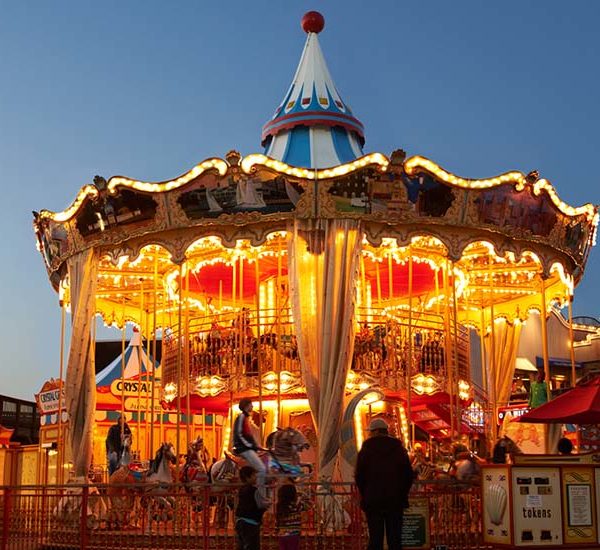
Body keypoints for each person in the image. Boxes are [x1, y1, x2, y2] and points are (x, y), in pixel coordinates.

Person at [355, 418, 413, 550]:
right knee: (395, 539)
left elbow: (360, 476)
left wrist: (366, 494)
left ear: (375, 432)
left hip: (373, 500)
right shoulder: (399, 450)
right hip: (395, 500)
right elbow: (408, 475)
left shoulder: (366, 450)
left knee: (375, 538)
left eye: (370, 432)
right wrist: (402, 493)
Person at [233, 398, 266, 491]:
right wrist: (251, 446)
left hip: (250, 448)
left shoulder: (247, 420)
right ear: (246, 406)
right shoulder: (242, 418)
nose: (252, 406)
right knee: (262, 469)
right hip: (245, 448)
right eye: (251, 404)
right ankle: (260, 494)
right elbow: (240, 435)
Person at [235, 465, 271, 550]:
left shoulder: (241, 489)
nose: (256, 477)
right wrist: (268, 504)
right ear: (248, 477)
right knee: (252, 546)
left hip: (240, 521)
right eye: (254, 475)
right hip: (251, 523)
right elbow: (260, 504)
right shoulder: (254, 490)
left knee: (242, 545)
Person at [276, 482, 311, 550]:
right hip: (293, 534)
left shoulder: (280, 506)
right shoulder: (297, 506)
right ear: (293, 495)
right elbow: (309, 505)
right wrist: (302, 494)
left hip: (282, 534)